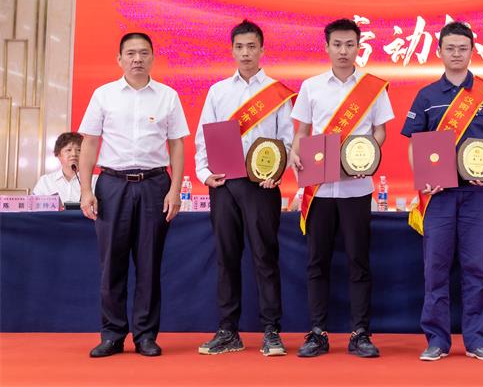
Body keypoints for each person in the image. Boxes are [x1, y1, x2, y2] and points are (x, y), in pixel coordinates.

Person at [401, 22, 483, 362]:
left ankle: (477, 340)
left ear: (472, 51)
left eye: (463, 48)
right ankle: (436, 340)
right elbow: (414, 144)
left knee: (476, 268)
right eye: (450, 48)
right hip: (439, 195)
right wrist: (424, 177)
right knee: (435, 268)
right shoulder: (426, 96)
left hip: (477, 194)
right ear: (439, 51)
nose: (456, 54)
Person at [78, 32, 189, 358]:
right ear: (119, 59)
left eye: (143, 53)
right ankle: (112, 334)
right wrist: (85, 190)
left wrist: (175, 190)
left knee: (149, 263)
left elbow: (177, 145)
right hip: (112, 185)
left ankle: (145, 335)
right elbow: (90, 143)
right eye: (130, 53)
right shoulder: (103, 95)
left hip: (155, 184)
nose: (137, 59)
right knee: (111, 263)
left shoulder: (168, 96)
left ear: (153, 57)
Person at [289, 18, 394, 358]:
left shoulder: (372, 87)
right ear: (327, 47)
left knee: (358, 261)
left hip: (356, 187)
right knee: (316, 261)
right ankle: (317, 332)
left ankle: (360, 333)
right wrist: (295, 153)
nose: (344, 51)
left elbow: (380, 131)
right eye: (337, 44)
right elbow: (302, 132)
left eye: (350, 44)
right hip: (319, 188)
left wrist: (367, 154)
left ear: (359, 47)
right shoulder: (311, 86)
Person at [194, 20, 295, 356]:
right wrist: (204, 173)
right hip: (223, 184)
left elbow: (286, 141)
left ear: (262, 50)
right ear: (232, 50)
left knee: (265, 256)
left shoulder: (277, 93)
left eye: (252, 47)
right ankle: (228, 330)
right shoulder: (218, 91)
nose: (246, 53)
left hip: (262, 186)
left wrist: (277, 173)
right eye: (240, 47)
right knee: (226, 257)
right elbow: (204, 137)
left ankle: (271, 330)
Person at [33, 132, 87, 205]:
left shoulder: (93, 181)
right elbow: (33, 206)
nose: (74, 154)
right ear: (58, 154)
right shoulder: (45, 181)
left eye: (79, 150)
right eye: (69, 150)